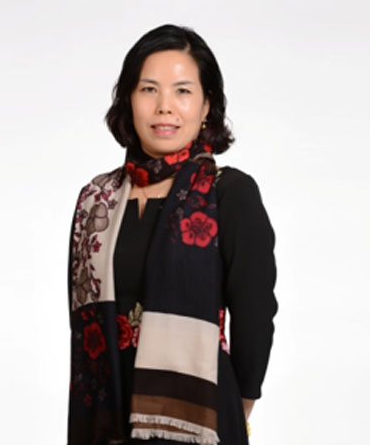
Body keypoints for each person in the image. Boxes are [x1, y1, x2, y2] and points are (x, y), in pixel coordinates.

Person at [66, 24, 278, 445]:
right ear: (129, 100)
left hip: (200, 415)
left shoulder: (229, 194)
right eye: (149, 90)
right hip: (109, 417)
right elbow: (82, 331)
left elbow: (255, 312)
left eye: (182, 91)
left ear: (206, 105)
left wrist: (238, 405)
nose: (165, 107)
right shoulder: (96, 200)